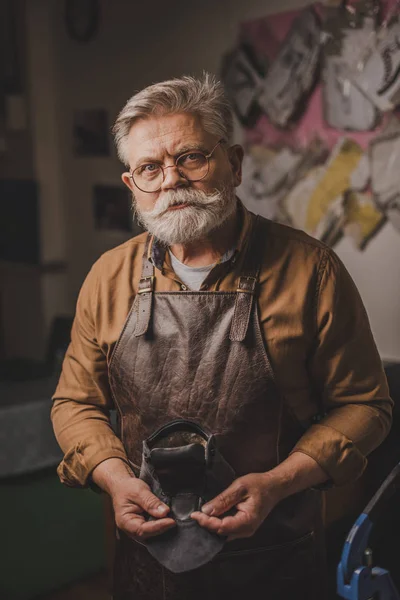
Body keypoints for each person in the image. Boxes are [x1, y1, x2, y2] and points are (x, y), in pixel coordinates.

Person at [51, 73, 392, 600]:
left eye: (191, 157)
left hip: (277, 558)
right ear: (132, 185)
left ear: (233, 163)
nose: (171, 180)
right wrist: (114, 479)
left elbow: (365, 405)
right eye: (150, 168)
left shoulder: (312, 270)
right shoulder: (107, 277)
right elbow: (75, 403)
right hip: (148, 567)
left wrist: (278, 483)